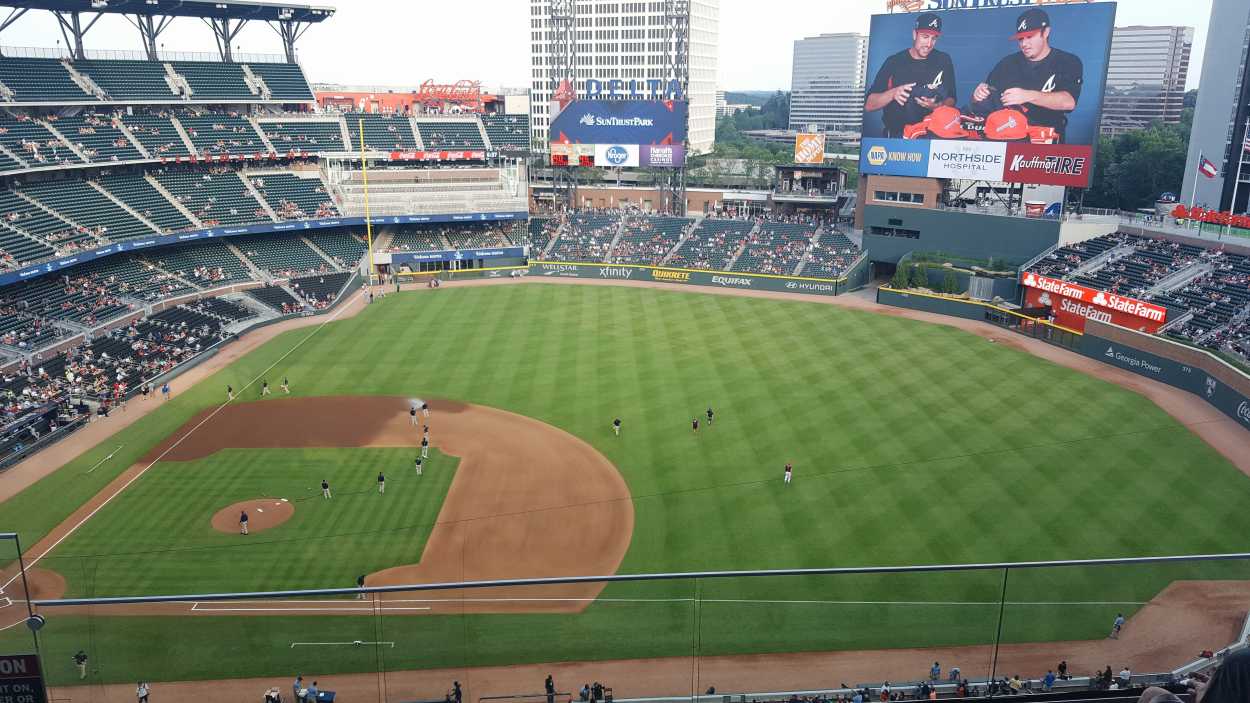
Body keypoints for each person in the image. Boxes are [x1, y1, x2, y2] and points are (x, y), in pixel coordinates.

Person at [972, 8, 1084, 143]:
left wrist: (1027, 95)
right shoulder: (1007, 63)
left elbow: (1068, 102)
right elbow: (981, 104)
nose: (1024, 44)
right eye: (1020, 39)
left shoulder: (1067, 61)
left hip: (1045, 139)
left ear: (1046, 32)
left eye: (1030, 37)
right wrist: (977, 95)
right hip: (1006, 137)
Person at [864, 12, 958, 138]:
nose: (929, 44)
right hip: (897, 137)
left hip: (931, 135)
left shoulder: (943, 60)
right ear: (915, 34)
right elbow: (869, 105)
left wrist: (937, 106)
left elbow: (951, 98)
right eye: (925, 37)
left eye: (934, 38)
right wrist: (893, 93)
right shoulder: (894, 62)